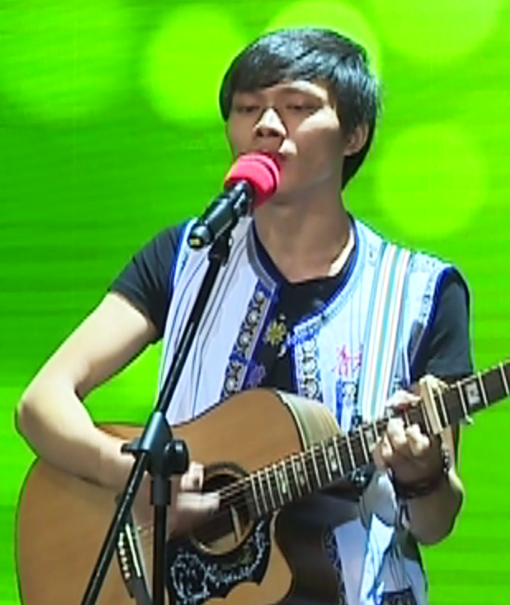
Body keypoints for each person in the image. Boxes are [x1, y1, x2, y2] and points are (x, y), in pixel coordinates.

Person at [16, 26, 472, 605]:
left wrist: (423, 473)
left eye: (298, 107)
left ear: (354, 134)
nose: (267, 125)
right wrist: (128, 476)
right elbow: (42, 402)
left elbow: (434, 523)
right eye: (248, 108)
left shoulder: (422, 292)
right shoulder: (188, 255)